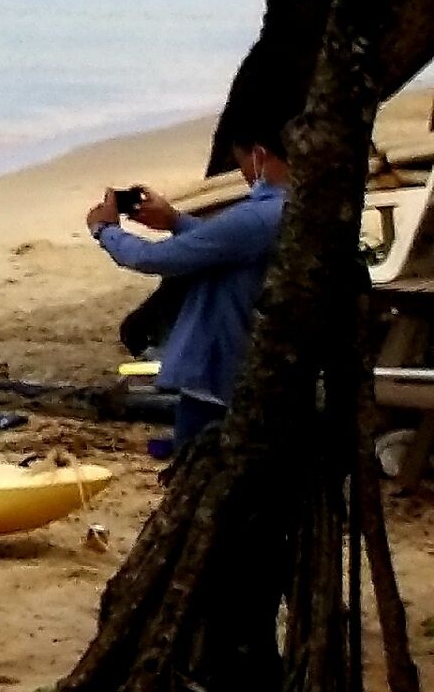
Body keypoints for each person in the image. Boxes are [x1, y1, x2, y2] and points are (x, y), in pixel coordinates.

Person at [91, 131, 293, 456]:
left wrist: (105, 230)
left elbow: (153, 258)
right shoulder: (297, 210)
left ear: (259, 155)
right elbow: (229, 246)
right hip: (260, 368)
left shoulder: (257, 217)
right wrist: (174, 220)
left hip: (220, 372)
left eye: (242, 163)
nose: (245, 174)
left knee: (199, 466)